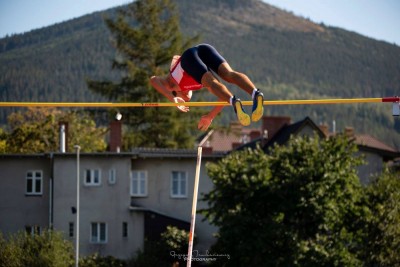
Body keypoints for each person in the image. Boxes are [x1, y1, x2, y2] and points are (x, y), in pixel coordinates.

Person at [150, 43, 264, 131]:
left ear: (177, 93)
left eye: (184, 101)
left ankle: (234, 102)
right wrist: (210, 116)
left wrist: (172, 98)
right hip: (205, 49)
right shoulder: (200, 80)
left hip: (188, 58)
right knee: (229, 74)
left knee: (214, 85)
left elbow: (153, 79)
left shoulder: (171, 85)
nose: (186, 100)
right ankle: (255, 93)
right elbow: (222, 96)